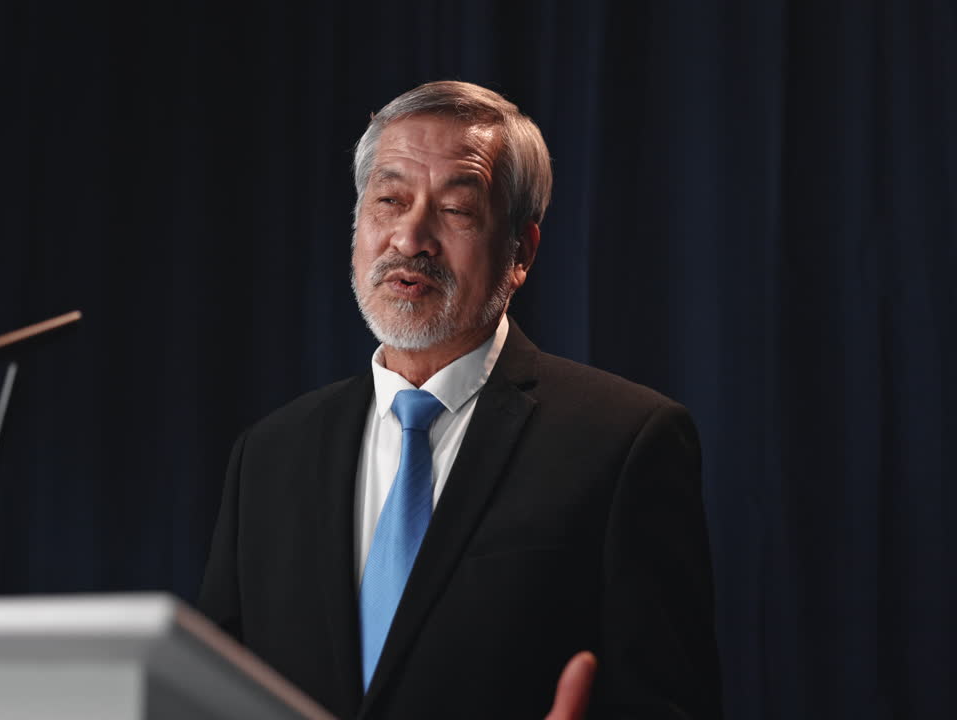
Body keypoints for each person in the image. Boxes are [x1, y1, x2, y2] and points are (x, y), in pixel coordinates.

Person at [199, 81, 721, 719]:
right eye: (389, 200)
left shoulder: (625, 442)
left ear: (520, 252)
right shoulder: (269, 455)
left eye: (455, 209)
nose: (410, 237)